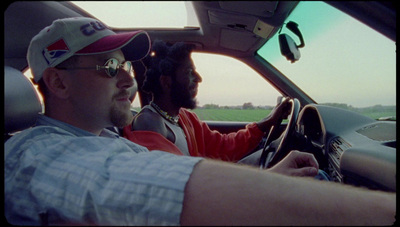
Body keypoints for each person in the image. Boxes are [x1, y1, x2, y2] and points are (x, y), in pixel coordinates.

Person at [4, 17, 395, 226]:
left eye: (124, 64)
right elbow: (137, 183)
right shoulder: (33, 154)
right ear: (57, 81)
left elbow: (217, 151)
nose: (127, 77)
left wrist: (270, 147)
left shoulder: (104, 136)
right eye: (109, 66)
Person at [123, 40, 289, 164]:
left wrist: (266, 123)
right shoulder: (149, 123)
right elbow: (174, 181)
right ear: (166, 82)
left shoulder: (185, 118)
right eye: (189, 72)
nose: (199, 79)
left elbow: (223, 147)